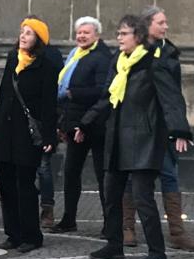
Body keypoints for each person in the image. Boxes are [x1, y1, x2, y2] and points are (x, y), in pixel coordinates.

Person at [84, 15, 194, 259]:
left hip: (144, 138)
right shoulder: (119, 62)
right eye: (118, 33)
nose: (119, 38)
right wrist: (85, 121)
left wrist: (180, 130)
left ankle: (157, 251)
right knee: (112, 194)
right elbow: (107, 97)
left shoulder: (153, 63)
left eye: (124, 33)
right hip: (117, 136)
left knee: (143, 198)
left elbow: (172, 98)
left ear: (139, 36)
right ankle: (114, 244)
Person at [118, 6, 194, 252]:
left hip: (163, 126)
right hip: (139, 127)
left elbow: (173, 95)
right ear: (146, 25)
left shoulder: (168, 53)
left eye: (166, 22)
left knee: (169, 175)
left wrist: (179, 128)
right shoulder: (135, 53)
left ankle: (177, 231)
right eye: (161, 22)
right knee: (132, 177)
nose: (166, 26)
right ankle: (127, 227)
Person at [0, 16, 62, 253]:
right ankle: (12, 233)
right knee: (6, 184)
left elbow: (48, 104)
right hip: (6, 131)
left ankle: (32, 236)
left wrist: (49, 137)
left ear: (38, 39)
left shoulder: (46, 65)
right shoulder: (13, 58)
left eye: (29, 33)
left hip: (27, 135)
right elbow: (3, 95)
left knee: (24, 185)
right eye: (22, 32)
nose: (23, 36)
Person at [51, 17, 112, 234]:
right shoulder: (75, 55)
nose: (81, 36)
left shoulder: (102, 57)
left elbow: (103, 90)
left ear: (96, 35)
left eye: (86, 32)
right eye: (79, 32)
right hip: (74, 121)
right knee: (71, 172)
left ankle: (109, 223)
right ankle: (69, 218)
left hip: (96, 125)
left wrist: (73, 93)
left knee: (102, 175)